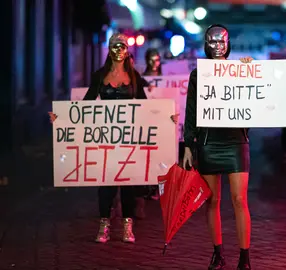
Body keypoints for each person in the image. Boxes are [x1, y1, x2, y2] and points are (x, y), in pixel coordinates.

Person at [82, 33, 176, 243]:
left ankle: (127, 226)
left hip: (129, 139)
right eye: (115, 46)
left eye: (122, 46)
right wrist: (62, 119)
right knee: (106, 183)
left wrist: (167, 118)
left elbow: (145, 106)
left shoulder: (134, 77)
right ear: (109, 48)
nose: (119, 50)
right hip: (106, 138)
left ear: (127, 51)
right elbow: (86, 104)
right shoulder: (99, 76)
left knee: (128, 184)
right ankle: (104, 225)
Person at [183, 24, 253, 270]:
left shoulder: (240, 70)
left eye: (221, 41)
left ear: (228, 43)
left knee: (238, 199)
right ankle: (217, 253)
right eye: (212, 42)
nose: (217, 46)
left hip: (235, 140)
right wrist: (188, 145)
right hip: (209, 141)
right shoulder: (198, 74)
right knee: (212, 201)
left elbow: (258, 99)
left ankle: (244, 258)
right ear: (205, 44)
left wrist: (250, 69)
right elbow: (190, 111)